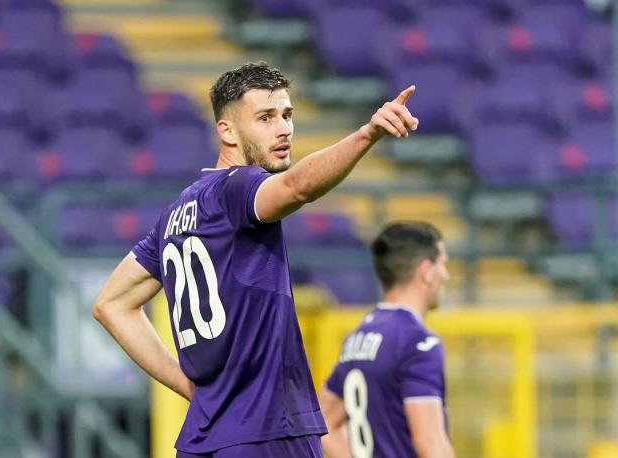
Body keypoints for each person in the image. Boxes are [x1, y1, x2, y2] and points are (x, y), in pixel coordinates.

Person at [91, 61, 419, 458]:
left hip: (201, 440)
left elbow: (111, 303)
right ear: (226, 130)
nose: (283, 128)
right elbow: (297, 187)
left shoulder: (176, 214)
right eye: (265, 118)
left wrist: (189, 386)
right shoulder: (238, 187)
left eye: (287, 115)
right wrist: (368, 134)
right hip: (267, 431)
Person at [320, 222, 455, 458]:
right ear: (426, 271)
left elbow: (323, 422)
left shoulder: (358, 336)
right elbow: (430, 442)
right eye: (442, 263)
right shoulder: (418, 342)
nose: (446, 274)